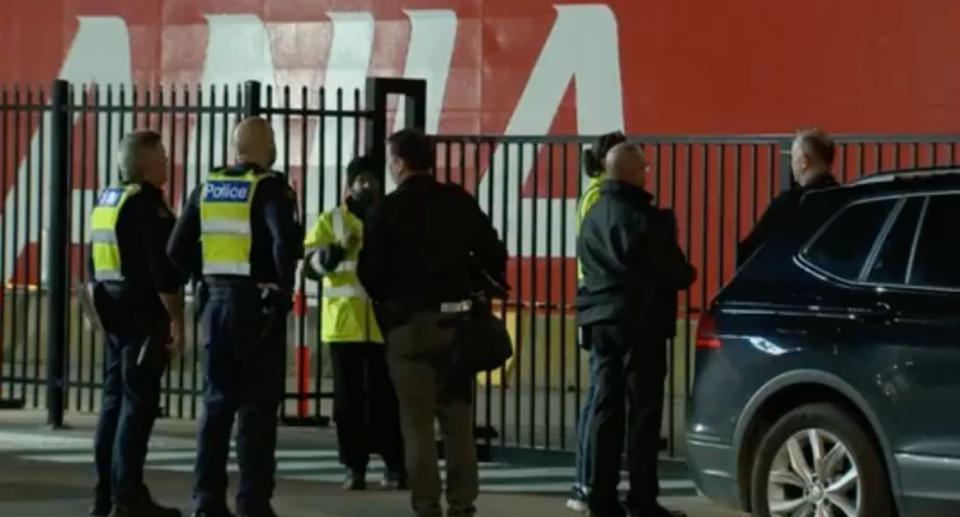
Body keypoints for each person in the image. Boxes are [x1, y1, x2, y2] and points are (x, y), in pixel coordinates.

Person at [357, 129, 507, 517]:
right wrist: (473, 283)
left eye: (390, 161)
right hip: (457, 324)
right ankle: (463, 503)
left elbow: (369, 272)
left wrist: (389, 305)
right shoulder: (457, 200)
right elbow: (494, 253)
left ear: (400, 163)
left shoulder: (386, 210)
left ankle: (426, 506)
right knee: (458, 421)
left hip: (408, 327)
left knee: (417, 424)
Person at [167, 117, 303, 517]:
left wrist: (203, 278)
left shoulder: (206, 188)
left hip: (215, 305)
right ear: (264, 145)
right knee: (257, 409)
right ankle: (253, 502)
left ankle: (206, 500)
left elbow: (176, 250)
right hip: (256, 306)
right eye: (273, 138)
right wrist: (281, 289)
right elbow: (284, 243)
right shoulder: (271, 188)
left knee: (216, 405)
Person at [576, 143, 696, 517]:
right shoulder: (647, 218)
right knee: (643, 414)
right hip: (641, 323)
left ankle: (600, 497)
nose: (648, 172)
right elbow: (676, 271)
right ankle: (643, 499)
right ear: (632, 171)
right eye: (644, 167)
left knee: (605, 410)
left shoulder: (592, 215)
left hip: (599, 321)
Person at [89, 130, 185, 517]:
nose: (167, 162)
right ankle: (128, 497)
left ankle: (106, 495)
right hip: (143, 321)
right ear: (145, 164)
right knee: (137, 408)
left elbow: (95, 268)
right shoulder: (148, 207)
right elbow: (162, 272)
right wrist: (177, 319)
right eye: (161, 155)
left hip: (113, 316)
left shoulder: (108, 202)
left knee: (112, 406)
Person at [302, 155, 407, 491]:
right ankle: (354, 467)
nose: (367, 184)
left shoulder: (389, 219)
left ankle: (394, 466)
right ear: (349, 183)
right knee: (348, 403)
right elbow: (309, 268)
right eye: (360, 178)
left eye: (372, 178)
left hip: (382, 324)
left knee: (386, 399)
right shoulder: (331, 220)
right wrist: (335, 251)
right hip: (343, 323)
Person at [568, 130, 626, 513]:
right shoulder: (598, 196)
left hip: (595, 305)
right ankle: (585, 483)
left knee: (598, 396)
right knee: (599, 397)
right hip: (600, 305)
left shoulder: (592, 191)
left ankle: (584, 482)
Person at [737, 128, 838, 267]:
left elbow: (752, 249)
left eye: (792, 158)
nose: (792, 165)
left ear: (803, 161)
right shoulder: (846, 199)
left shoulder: (790, 203)